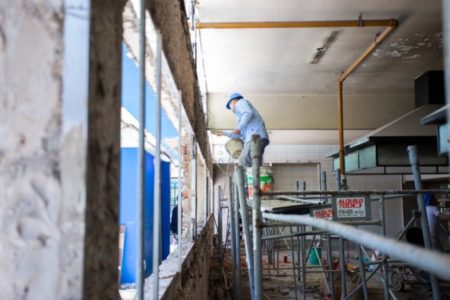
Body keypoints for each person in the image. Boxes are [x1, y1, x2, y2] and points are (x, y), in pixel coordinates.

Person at [215, 92, 270, 167]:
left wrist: (238, 128)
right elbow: (239, 134)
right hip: (257, 137)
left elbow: (248, 113)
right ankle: (254, 177)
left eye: (230, 106)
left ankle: (248, 178)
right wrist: (224, 133)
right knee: (254, 164)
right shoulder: (242, 118)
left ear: (233, 101)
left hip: (254, 137)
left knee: (243, 160)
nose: (231, 109)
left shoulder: (240, 102)